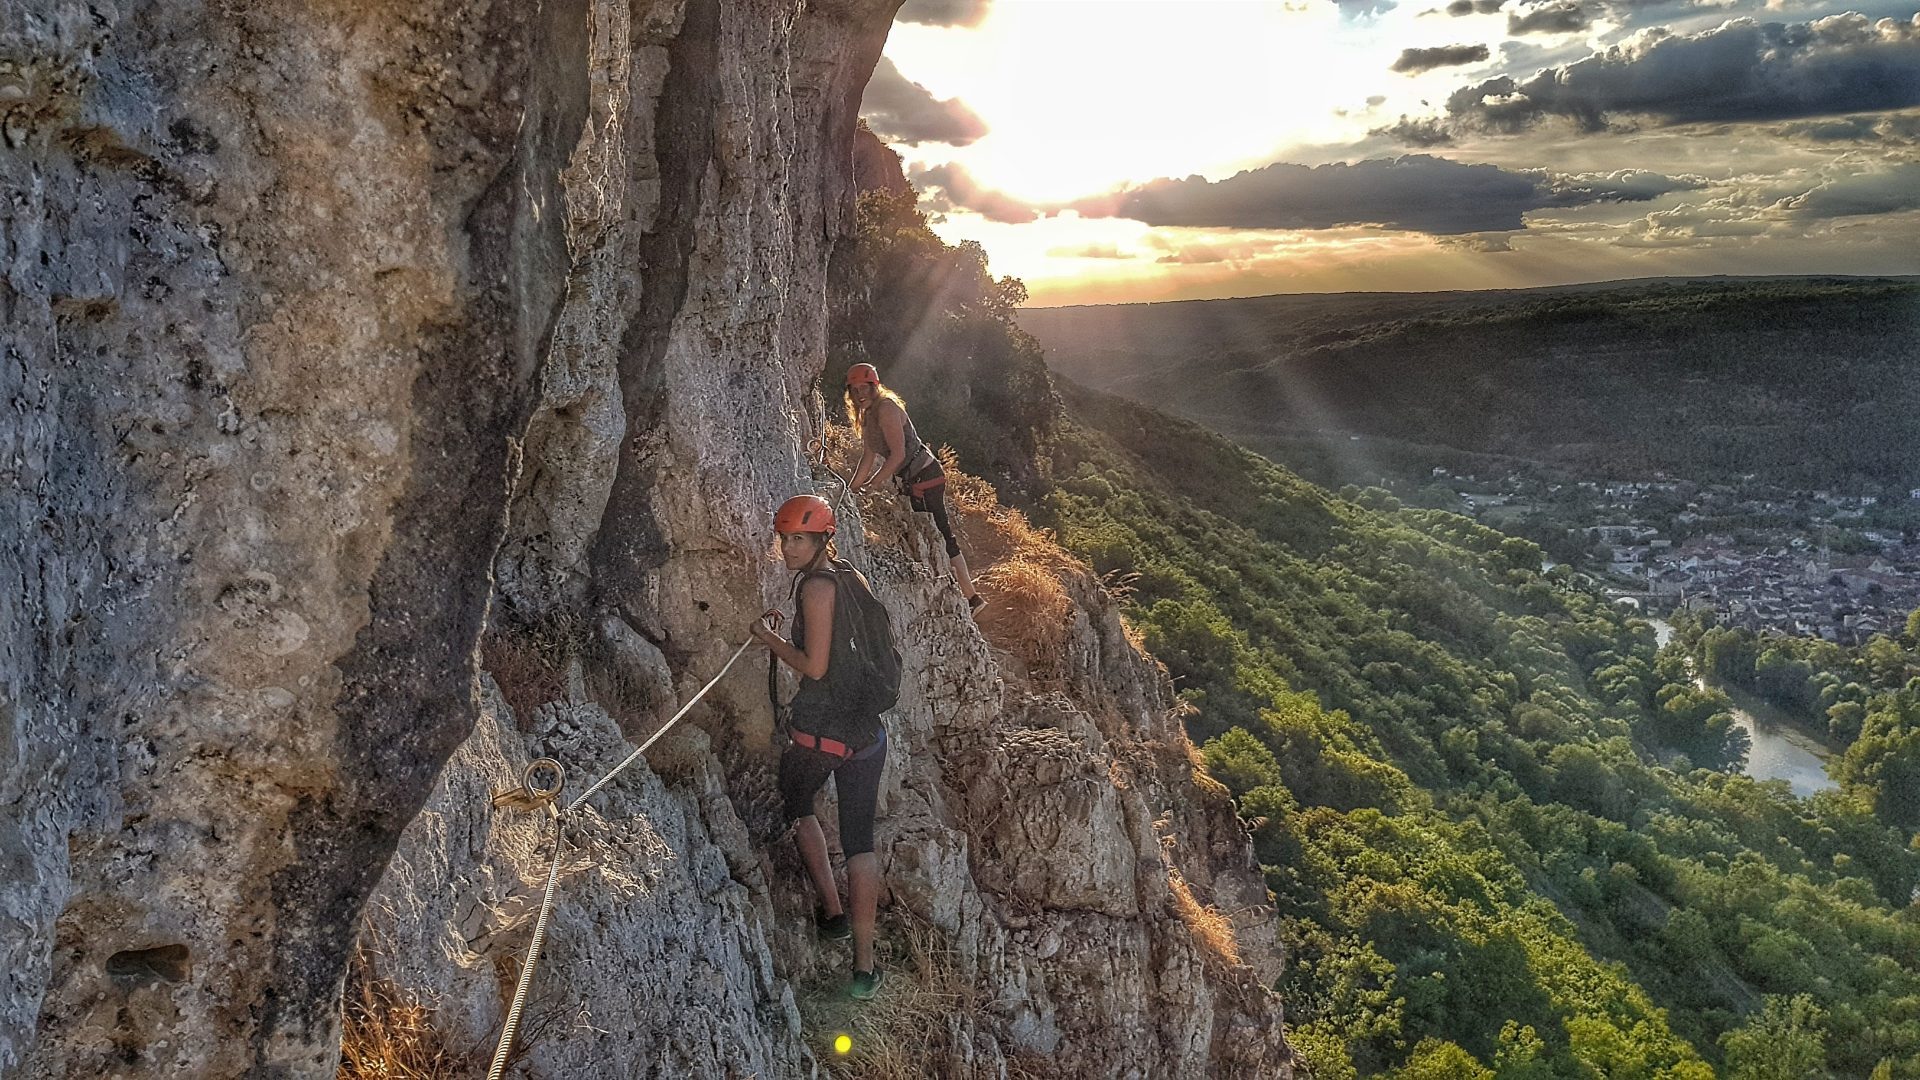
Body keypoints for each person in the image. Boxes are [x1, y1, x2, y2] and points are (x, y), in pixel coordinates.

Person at [750, 494, 888, 1001]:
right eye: (784, 538)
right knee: (860, 842)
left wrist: (768, 639)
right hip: (866, 734)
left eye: (798, 539)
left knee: (796, 801)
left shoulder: (816, 587)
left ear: (820, 540)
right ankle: (864, 969)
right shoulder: (851, 576)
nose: (787, 547)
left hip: (820, 734)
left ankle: (832, 913)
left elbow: (814, 667)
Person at [843, 363, 982, 612]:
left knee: (941, 535)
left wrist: (873, 485)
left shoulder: (886, 409)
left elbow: (898, 454)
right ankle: (955, 590)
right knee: (929, 536)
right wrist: (850, 489)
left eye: (864, 388)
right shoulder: (868, 415)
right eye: (854, 390)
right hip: (912, 479)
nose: (860, 394)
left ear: (875, 387)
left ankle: (972, 599)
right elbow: (868, 456)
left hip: (925, 477)